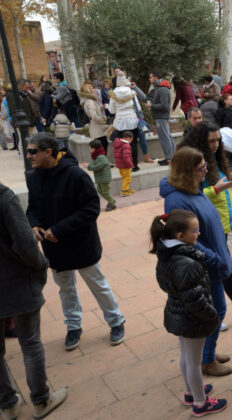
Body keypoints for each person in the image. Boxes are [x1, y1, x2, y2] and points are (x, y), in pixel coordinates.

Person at [25, 133, 126, 351]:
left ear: (48, 152)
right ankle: (73, 326)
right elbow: (32, 207)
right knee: (65, 288)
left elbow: (91, 208)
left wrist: (59, 229)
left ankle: (116, 320)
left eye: (33, 151)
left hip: (81, 243)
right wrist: (33, 224)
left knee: (97, 283)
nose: (28, 155)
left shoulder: (75, 175)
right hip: (54, 246)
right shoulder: (34, 177)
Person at [179, 122, 232, 330]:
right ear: (201, 141)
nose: (216, 144)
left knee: (217, 269)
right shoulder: (194, 161)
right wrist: (215, 189)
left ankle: (215, 313)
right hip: (206, 224)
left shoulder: (216, 157)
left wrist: (223, 189)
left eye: (218, 140)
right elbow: (190, 195)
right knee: (225, 268)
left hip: (220, 223)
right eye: (211, 140)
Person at [159, 147, 232, 377]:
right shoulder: (176, 200)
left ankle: (206, 352)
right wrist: (214, 259)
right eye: (201, 167)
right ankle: (206, 360)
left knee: (216, 310)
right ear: (187, 171)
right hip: (205, 266)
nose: (206, 170)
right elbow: (188, 241)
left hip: (214, 261)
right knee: (216, 310)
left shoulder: (194, 189)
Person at [0, 183, 68, 420]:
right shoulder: (3, 196)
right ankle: (41, 400)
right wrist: (41, 264)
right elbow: (25, 243)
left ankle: (7, 404)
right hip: (16, 283)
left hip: (13, 283)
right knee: (30, 342)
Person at [150, 209, 227, 415]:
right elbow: (195, 300)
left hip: (178, 313)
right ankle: (201, 403)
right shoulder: (187, 263)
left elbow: (164, 284)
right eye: (195, 231)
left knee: (186, 355)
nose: (198, 234)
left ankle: (190, 392)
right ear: (180, 236)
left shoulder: (167, 253)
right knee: (194, 362)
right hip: (192, 319)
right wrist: (213, 316)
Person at [108, 72, 141, 171]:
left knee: (122, 144)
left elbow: (111, 110)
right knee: (133, 143)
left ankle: (125, 165)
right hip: (132, 120)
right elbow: (138, 107)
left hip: (120, 122)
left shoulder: (113, 93)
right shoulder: (131, 92)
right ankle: (135, 165)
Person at [148, 71, 175, 166]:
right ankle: (171, 157)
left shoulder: (162, 89)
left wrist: (152, 105)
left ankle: (169, 159)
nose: (149, 79)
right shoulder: (159, 88)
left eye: (150, 77)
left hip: (161, 116)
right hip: (161, 116)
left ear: (155, 77)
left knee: (165, 137)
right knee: (167, 136)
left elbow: (164, 106)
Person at [87, 139, 116, 211]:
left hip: (104, 178)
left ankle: (112, 204)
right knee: (100, 190)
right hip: (101, 177)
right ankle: (111, 201)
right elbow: (97, 164)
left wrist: (88, 166)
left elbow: (98, 167)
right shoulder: (97, 155)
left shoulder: (101, 156)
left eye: (90, 148)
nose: (90, 150)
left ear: (93, 148)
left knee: (105, 192)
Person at [78, 82, 108, 152]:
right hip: (97, 127)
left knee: (101, 146)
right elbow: (93, 115)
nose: (93, 89)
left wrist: (101, 109)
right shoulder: (90, 101)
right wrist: (102, 121)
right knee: (102, 146)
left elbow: (93, 113)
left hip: (95, 126)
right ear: (87, 90)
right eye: (91, 88)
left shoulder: (87, 101)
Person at [113, 131, 136, 197]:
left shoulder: (118, 143)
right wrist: (130, 164)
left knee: (124, 177)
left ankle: (127, 189)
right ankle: (124, 191)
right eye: (131, 139)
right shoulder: (126, 145)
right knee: (127, 178)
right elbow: (126, 157)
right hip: (125, 165)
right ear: (128, 138)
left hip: (120, 165)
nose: (131, 141)